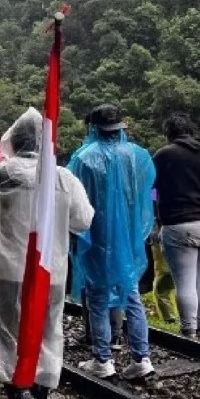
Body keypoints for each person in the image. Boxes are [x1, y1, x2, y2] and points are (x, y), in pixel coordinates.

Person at [0, 108, 94, 399]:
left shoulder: (3, 173)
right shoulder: (63, 178)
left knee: (7, 336)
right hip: (50, 271)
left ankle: (21, 396)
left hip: (9, 270)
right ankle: (39, 395)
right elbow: (84, 221)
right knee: (47, 333)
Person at [68, 104, 155, 380]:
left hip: (97, 236)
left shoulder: (84, 158)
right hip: (128, 238)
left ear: (93, 128)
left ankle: (102, 359)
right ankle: (142, 357)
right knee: (131, 295)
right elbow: (148, 194)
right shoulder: (137, 156)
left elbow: (74, 200)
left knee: (97, 296)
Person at [152, 113, 200, 340]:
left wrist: (155, 210)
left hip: (179, 226)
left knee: (184, 282)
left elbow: (152, 187)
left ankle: (189, 332)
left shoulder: (164, 155)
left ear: (169, 133)